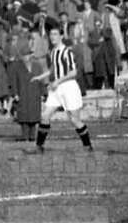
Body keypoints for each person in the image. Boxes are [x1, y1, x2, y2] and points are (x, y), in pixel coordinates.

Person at [30, 19, 95, 154]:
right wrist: (40, 77)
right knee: (45, 116)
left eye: (55, 34)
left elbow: (73, 72)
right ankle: (39, 147)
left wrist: (58, 81)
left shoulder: (66, 51)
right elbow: (53, 69)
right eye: (51, 34)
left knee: (75, 120)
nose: (52, 37)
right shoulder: (53, 52)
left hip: (69, 87)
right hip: (57, 88)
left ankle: (87, 146)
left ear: (61, 36)